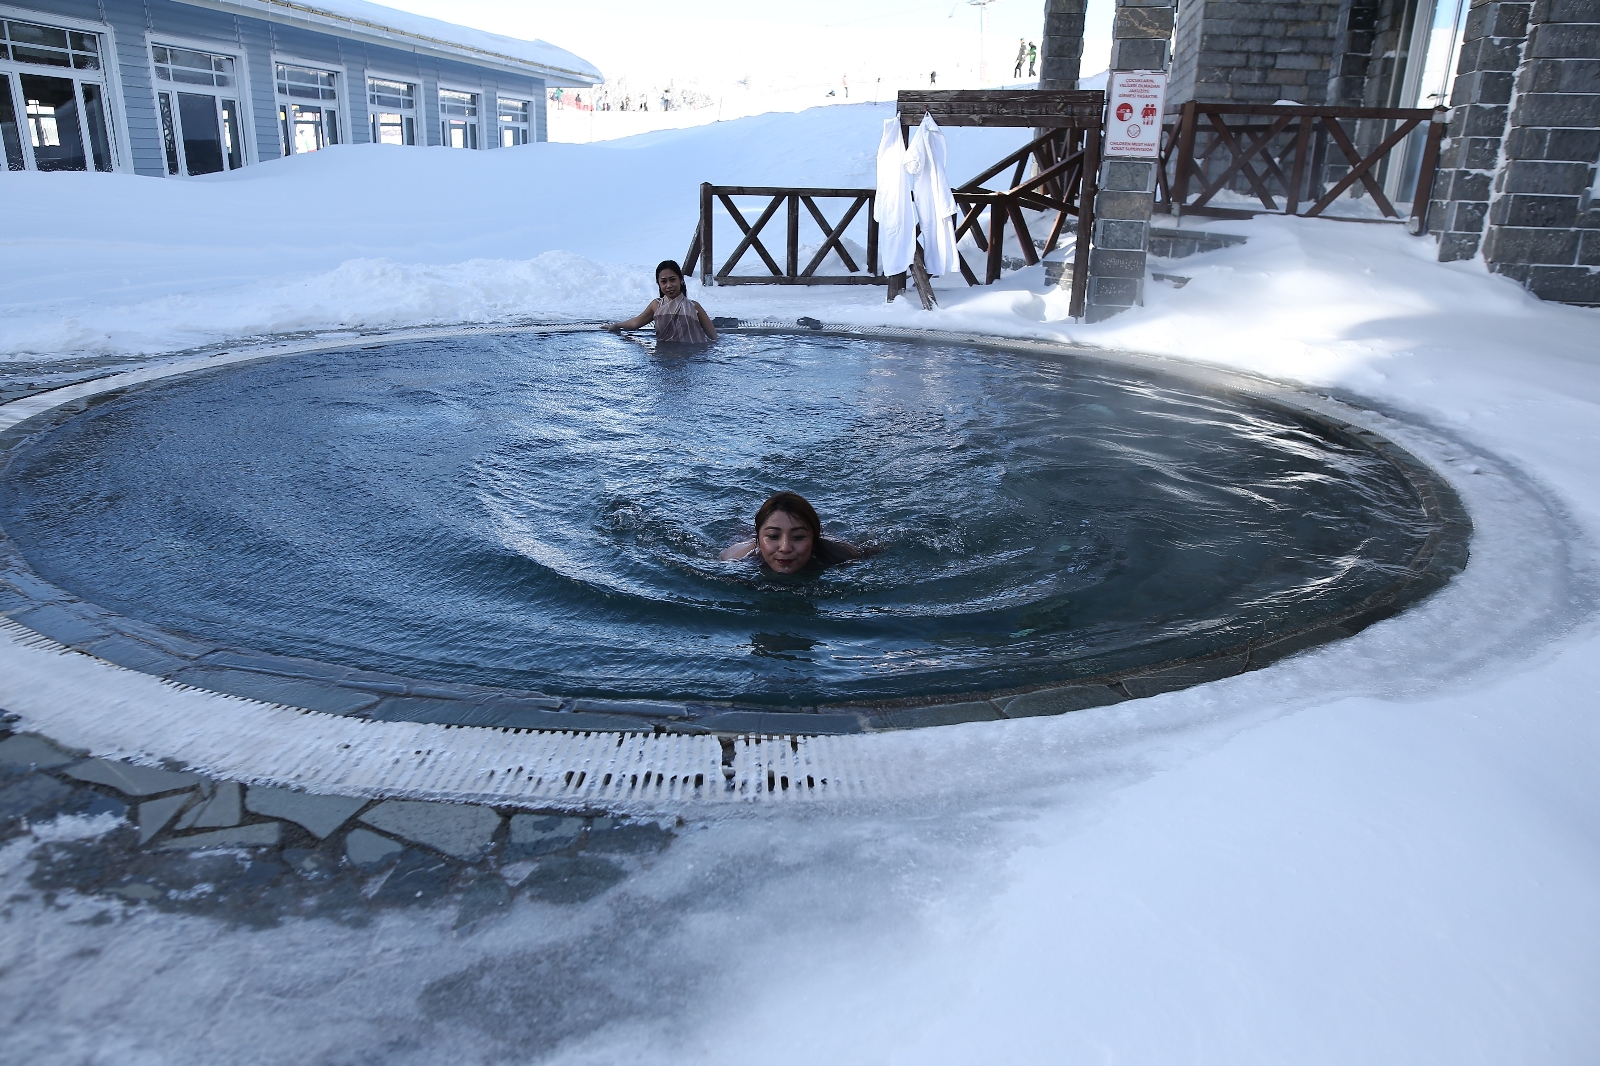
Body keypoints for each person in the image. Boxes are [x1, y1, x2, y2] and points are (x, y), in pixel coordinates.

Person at [720, 492, 863, 573]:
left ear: (814, 539)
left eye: (798, 537)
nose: (785, 548)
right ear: (758, 538)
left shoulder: (844, 556)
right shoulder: (735, 560)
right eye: (773, 536)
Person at [605, 260, 718, 343]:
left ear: (681, 280)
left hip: (691, 360)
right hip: (663, 360)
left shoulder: (694, 307)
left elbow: (714, 337)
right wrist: (616, 325)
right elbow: (635, 323)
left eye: (672, 280)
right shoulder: (656, 305)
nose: (669, 285)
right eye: (664, 281)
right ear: (659, 284)